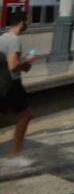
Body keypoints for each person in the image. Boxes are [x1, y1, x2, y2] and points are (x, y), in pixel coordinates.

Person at [0, 11, 36, 168]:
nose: (27, 24)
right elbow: (13, 65)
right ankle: (14, 155)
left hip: (1, 83)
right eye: (26, 21)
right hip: (11, 84)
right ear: (21, 23)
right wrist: (27, 61)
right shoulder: (14, 40)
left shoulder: (2, 37)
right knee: (26, 115)